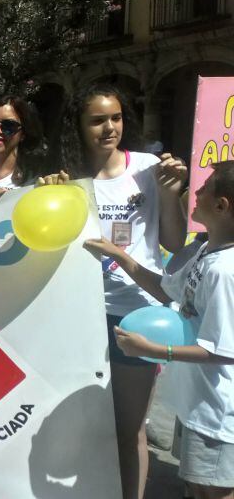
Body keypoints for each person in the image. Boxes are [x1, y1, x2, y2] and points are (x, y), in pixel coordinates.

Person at [57, 83, 188, 499]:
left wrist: (170, 195)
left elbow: (176, 240)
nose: (109, 127)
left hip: (137, 315)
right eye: (97, 120)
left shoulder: (149, 168)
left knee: (131, 429)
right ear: (78, 126)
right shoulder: (67, 176)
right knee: (86, 426)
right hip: (79, 315)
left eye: (115, 117)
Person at [84, 162, 234, 499]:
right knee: (197, 487)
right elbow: (165, 290)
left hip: (219, 412)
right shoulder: (205, 253)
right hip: (199, 404)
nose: (194, 192)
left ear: (222, 205)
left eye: (205, 187)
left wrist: (154, 351)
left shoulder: (225, 271)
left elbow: (223, 349)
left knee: (215, 491)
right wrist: (117, 254)